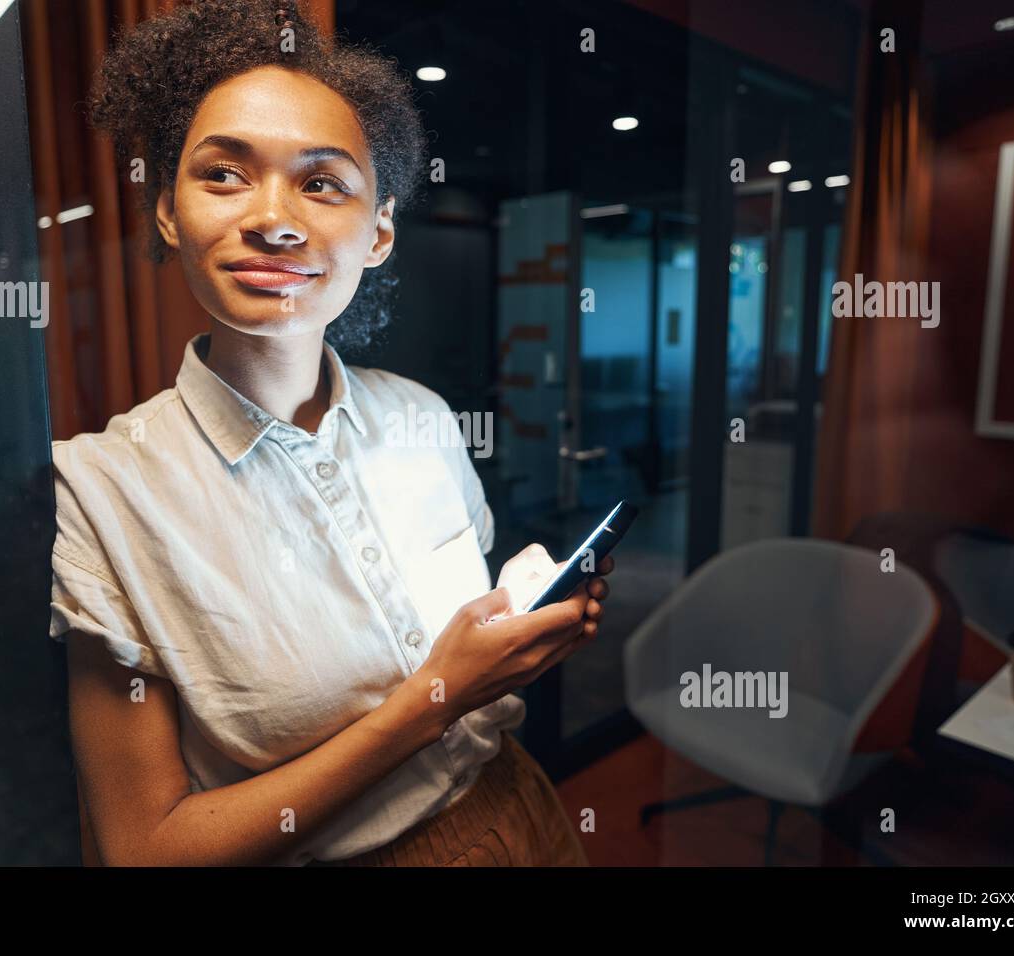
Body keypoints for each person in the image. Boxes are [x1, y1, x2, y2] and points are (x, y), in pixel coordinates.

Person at [50, 0, 614, 867]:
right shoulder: (102, 493)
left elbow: (466, 641)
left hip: (524, 813)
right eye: (225, 175)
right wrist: (438, 694)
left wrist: (515, 642)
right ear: (168, 212)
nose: (275, 219)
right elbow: (144, 848)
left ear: (379, 230)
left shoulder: (425, 418)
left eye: (322, 183)